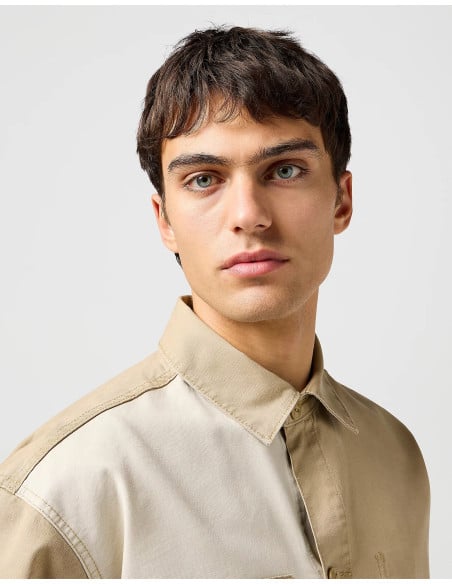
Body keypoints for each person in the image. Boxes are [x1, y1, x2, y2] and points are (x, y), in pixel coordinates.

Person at [0, 26, 429, 579]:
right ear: (165, 222)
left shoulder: (393, 455)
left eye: (285, 170)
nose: (249, 215)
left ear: (341, 201)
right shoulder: (65, 489)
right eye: (204, 179)